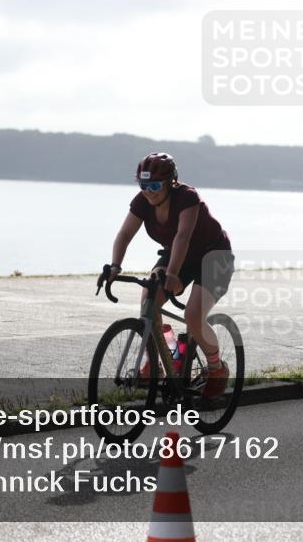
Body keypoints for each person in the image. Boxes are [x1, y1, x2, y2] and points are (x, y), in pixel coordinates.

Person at [100, 152, 235, 398]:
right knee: (149, 299)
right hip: (179, 254)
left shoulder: (187, 197)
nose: (148, 191)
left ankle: (216, 368)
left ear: (170, 182)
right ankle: (161, 361)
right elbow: (124, 234)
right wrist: (115, 266)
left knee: (193, 315)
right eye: (143, 185)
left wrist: (172, 273)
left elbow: (183, 236)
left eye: (154, 185)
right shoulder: (142, 201)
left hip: (214, 255)